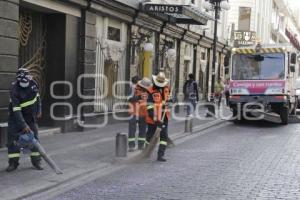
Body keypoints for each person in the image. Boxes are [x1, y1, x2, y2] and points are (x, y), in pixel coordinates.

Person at [6, 68, 43, 172]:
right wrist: (23, 125)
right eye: (22, 82)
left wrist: (39, 109)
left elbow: (38, 98)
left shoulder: (33, 84)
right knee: (13, 141)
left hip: (31, 118)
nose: (24, 84)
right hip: (16, 119)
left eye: (25, 82)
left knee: (35, 139)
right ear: (18, 80)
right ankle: (13, 163)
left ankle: (36, 162)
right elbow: (16, 111)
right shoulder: (14, 90)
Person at [146, 72, 170, 162]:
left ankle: (160, 155)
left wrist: (170, 101)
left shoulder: (166, 89)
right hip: (153, 118)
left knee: (164, 136)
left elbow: (169, 99)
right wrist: (155, 119)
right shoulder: (150, 91)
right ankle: (146, 151)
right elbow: (149, 106)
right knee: (150, 135)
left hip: (164, 117)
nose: (160, 85)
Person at [128, 76, 151, 152]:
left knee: (143, 130)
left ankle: (141, 145)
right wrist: (138, 97)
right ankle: (131, 146)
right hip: (134, 112)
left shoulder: (148, 91)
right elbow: (129, 99)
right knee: (132, 129)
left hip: (143, 113)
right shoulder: (133, 88)